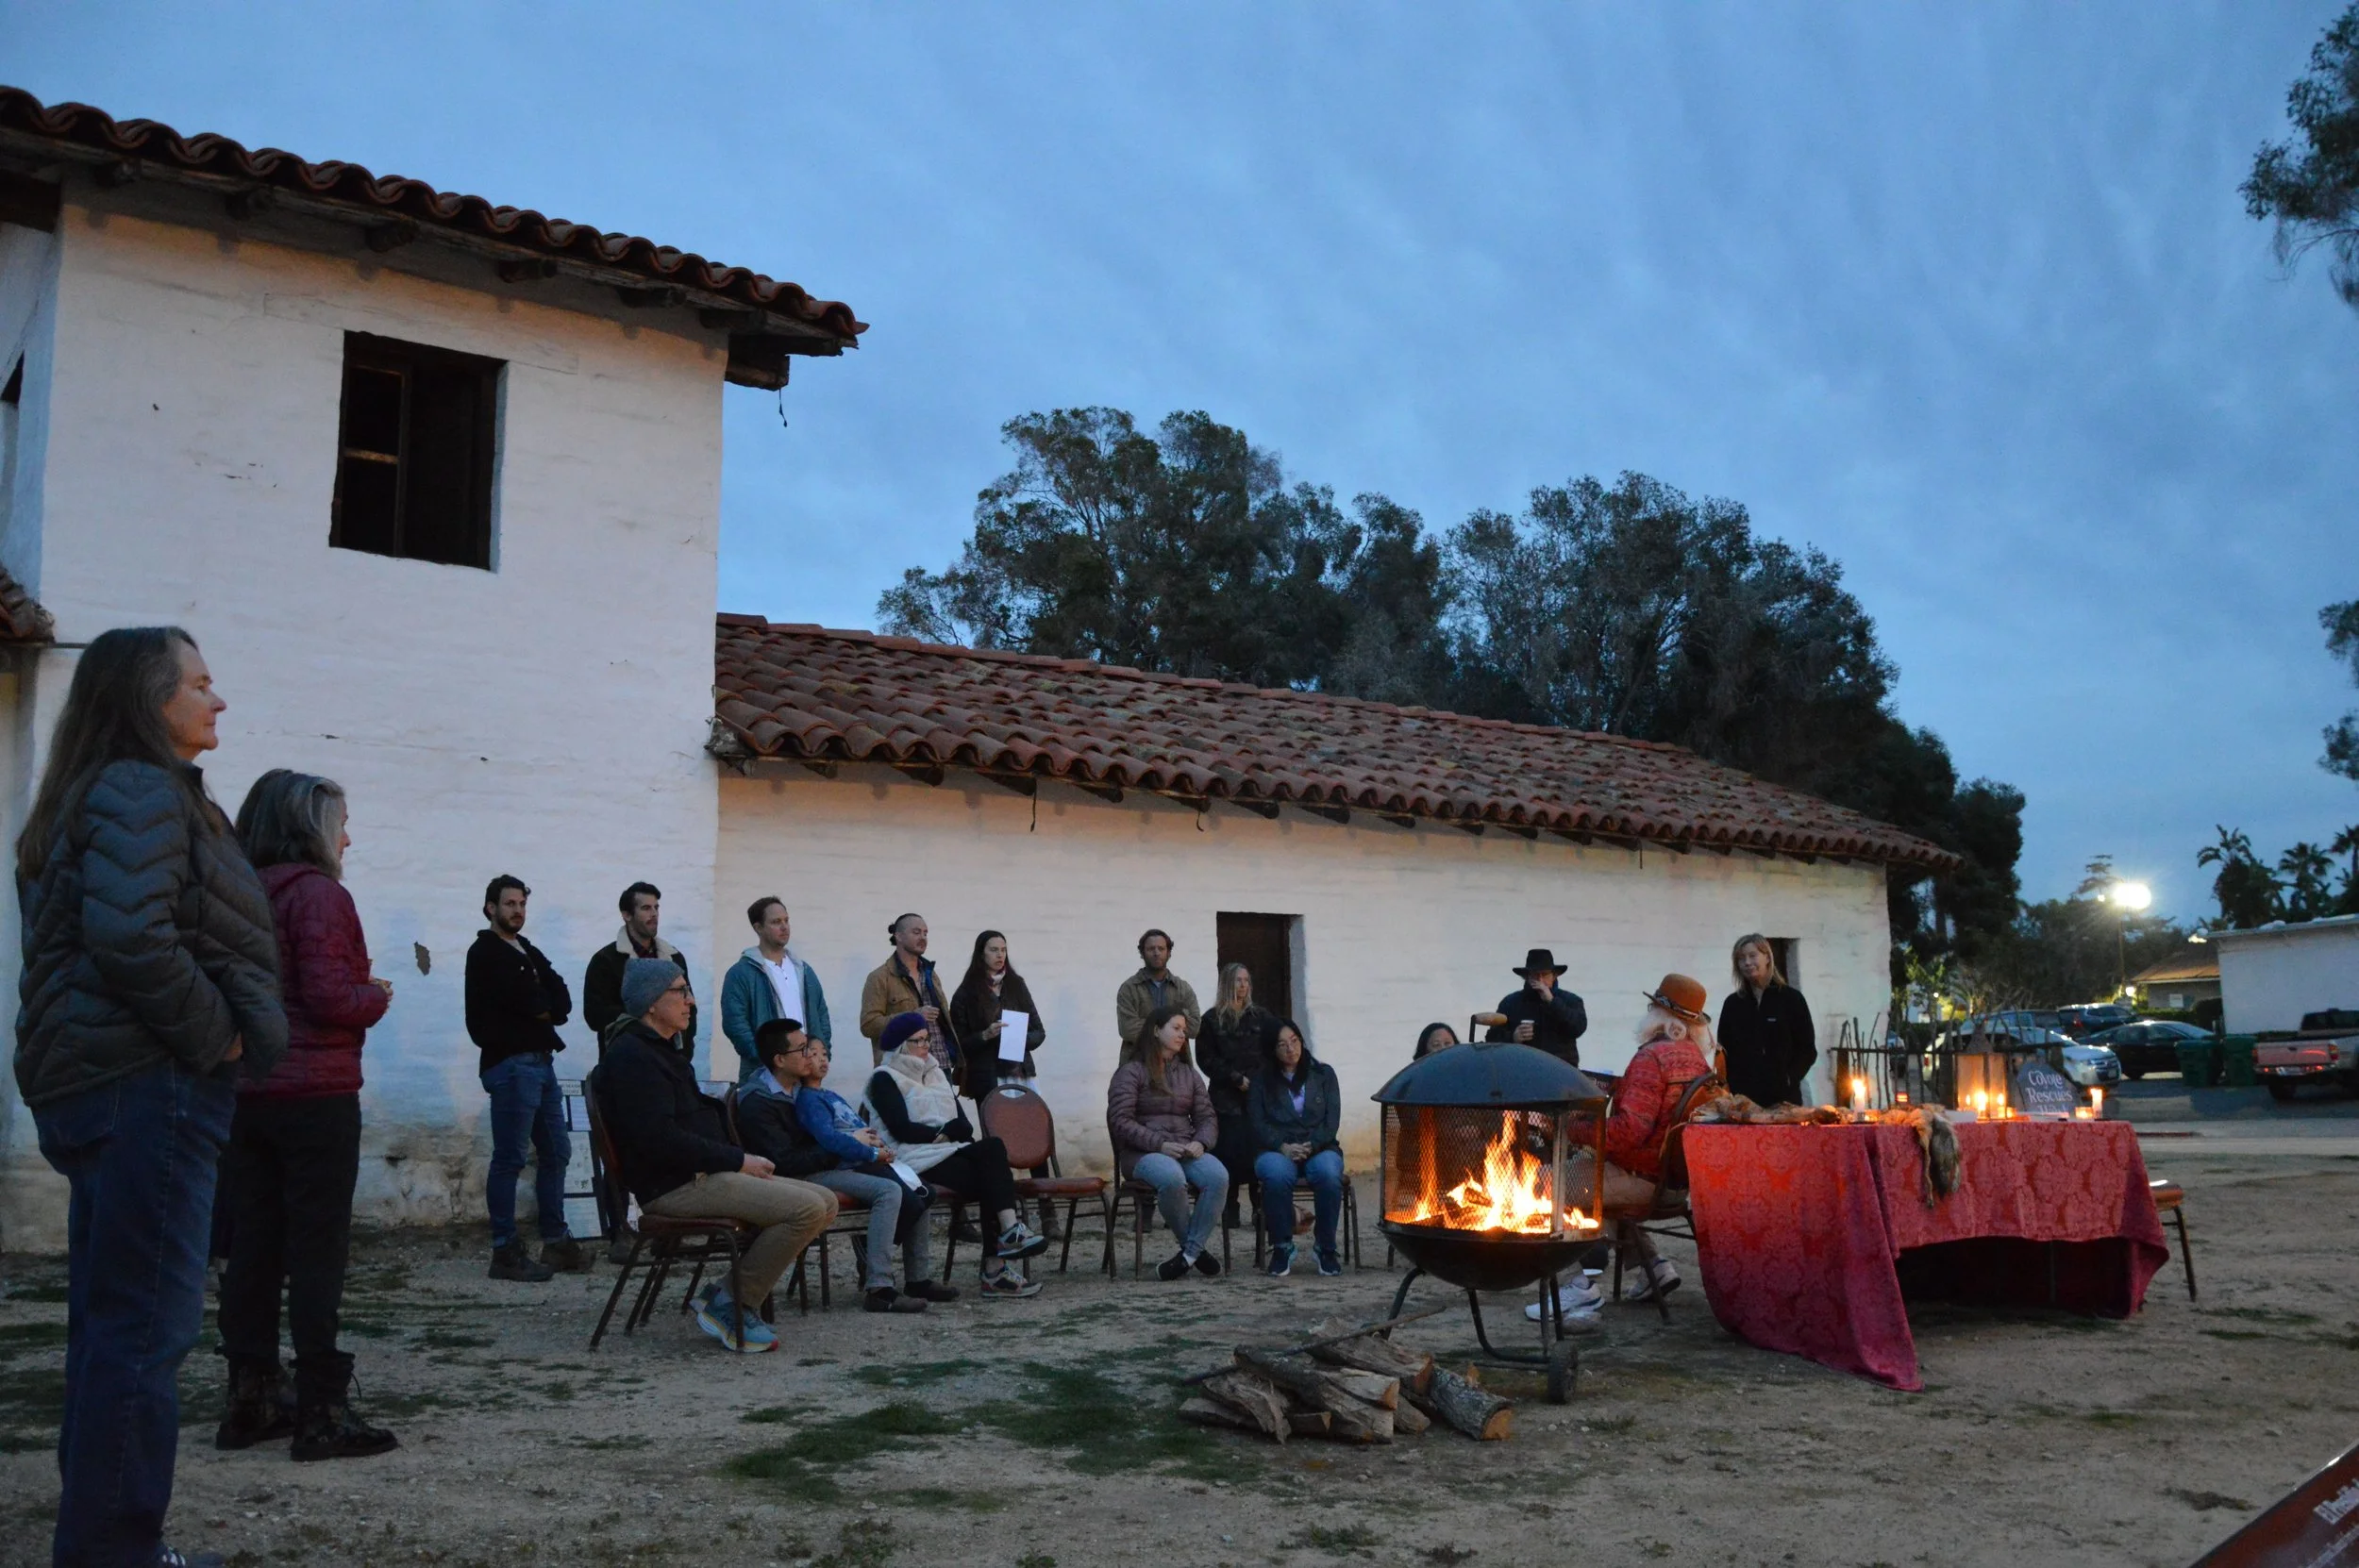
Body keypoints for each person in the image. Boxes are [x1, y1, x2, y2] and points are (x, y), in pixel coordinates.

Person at [15, 626, 289, 1568]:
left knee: (111, 1326)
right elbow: (131, 940)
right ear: (149, 698)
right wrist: (217, 1031)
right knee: (143, 1331)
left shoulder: (95, 792)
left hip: (104, 1082)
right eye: (202, 684)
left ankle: (99, 1543)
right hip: (149, 1083)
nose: (219, 701)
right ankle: (116, 1554)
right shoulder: (139, 789)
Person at [216, 770, 396, 1462]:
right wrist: (373, 995)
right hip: (314, 1094)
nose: (347, 837)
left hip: (249, 1092)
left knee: (254, 1247)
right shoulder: (319, 896)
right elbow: (329, 998)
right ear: (310, 826)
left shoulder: (242, 891)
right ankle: (323, 1409)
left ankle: (252, 1396)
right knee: (317, 1250)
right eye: (340, 823)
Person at [597, 959, 838, 1350]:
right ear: (651, 1002)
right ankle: (732, 1304)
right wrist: (738, 1160)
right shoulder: (632, 1057)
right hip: (674, 1184)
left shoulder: (662, 1051)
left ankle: (723, 1294)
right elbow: (660, 1139)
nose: (690, 1001)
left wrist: (734, 1159)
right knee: (807, 1209)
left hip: (703, 1173)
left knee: (825, 1201)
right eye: (680, 991)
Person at [737, 1022, 958, 1314]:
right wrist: (850, 1145)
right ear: (780, 1060)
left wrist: (860, 1143)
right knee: (889, 1191)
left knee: (917, 1186)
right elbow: (787, 1162)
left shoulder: (802, 1090)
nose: (812, 1055)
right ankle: (880, 1288)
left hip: (831, 1162)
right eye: (804, 1050)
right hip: (797, 1178)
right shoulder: (760, 1101)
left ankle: (917, 1279)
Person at [862, 1012, 1049, 1297]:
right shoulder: (884, 1079)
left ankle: (1004, 1245)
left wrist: (944, 1133)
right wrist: (943, 1132)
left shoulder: (937, 1074)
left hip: (947, 1152)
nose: (926, 1046)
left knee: (993, 1153)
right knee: (993, 1178)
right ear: (901, 1045)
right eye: (918, 1041)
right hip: (911, 1159)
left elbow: (964, 1125)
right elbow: (902, 1130)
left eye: (928, 1040)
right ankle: (996, 1268)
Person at [463, 875, 590, 1282]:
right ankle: (504, 1251)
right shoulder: (486, 952)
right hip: (512, 1064)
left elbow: (560, 999)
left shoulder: (527, 950)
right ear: (490, 908)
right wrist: (538, 1005)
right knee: (511, 1157)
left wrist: (541, 1006)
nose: (517, 911)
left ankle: (556, 1241)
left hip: (541, 1062)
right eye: (509, 904)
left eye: (521, 904)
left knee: (557, 1151)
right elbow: (529, 1001)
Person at [1107, 1005, 1228, 1281]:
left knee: (1218, 1176)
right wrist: (1159, 1144)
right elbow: (1121, 1121)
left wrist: (1202, 1142)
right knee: (1173, 1178)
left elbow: (1207, 1117)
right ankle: (1195, 1250)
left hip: (1185, 1148)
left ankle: (1188, 1255)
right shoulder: (1131, 1072)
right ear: (1156, 1030)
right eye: (1176, 1028)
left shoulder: (1189, 1074)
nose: (1182, 1035)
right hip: (1143, 1155)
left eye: (1184, 1030)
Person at [1247, 1020, 1345, 1277]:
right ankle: (1282, 1246)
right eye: (1282, 1045)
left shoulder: (1324, 1074)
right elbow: (1257, 1123)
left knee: (1328, 1174)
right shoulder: (1261, 1081)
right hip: (1276, 1148)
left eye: (1294, 1041)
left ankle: (1325, 1247)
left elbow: (1331, 1122)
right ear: (1272, 1050)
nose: (1291, 1049)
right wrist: (1283, 1146)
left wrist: (1311, 1146)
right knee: (1276, 1175)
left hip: (1320, 1146)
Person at [1196, 962, 1279, 1228]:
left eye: (1246, 980)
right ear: (1227, 985)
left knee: (1257, 1150)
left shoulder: (1261, 1017)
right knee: (1227, 1152)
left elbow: (1272, 1049)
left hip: (1257, 1096)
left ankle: (1260, 1207)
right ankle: (1229, 1207)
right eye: (1237, 981)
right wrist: (1234, 1079)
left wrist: (1259, 1081)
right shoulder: (1211, 1019)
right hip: (1225, 1097)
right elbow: (1206, 1058)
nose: (1243, 986)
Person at [720, 895, 833, 1085]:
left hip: (806, 1071)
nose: (784, 927)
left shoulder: (803, 970)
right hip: (765, 1075)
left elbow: (822, 1015)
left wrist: (820, 1051)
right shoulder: (741, 973)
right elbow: (735, 1024)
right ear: (758, 928)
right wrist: (765, 1057)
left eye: (786, 920)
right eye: (776, 922)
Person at [582, 881, 695, 1050]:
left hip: (673, 1059)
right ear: (627, 915)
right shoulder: (605, 960)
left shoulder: (673, 957)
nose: (654, 914)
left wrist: (685, 1052)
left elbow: (689, 1007)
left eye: (656, 908)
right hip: (625, 1059)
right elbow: (596, 1016)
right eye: (646, 908)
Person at [1717, 933, 1816, 1108]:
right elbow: (1723, 1051)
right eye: (1741, 959)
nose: (1747, 963)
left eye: (1752, 955)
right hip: (1742, 1102)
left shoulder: (1791, 999)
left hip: (1784, 1100)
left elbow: (1807, 1049)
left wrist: (1789, 1078)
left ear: (1767, 957)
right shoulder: (1733, 1004)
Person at [947, 928, 1046, 1101]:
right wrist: (984, 1036)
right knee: (996, 1126)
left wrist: (1016, 1038)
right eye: (993, 950)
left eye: (1003, 950)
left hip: (1021, 1074)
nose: (1000, 955)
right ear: (981, 954)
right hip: (987, 1076)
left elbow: (1039, 1032)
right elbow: (957, 1044)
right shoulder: (966, 993)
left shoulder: (1016, 985)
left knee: (1028, 1126)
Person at [860, 913, 962, 1079]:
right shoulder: (879, 977)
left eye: (925, 933)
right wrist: (912, 1017)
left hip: (939, 1066)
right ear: (898, 936)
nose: (923, 937)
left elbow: (944, 1020)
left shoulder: (930, 974)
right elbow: (868, 1025)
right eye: (916, 932)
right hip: (903, 1070)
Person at [1483, 947, 1589, 1066]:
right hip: (1523, 1071)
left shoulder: (1571, 1000)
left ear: (1554, 976)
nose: (1540, 980)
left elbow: (1578, 1028)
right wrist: (1513, 1037)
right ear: (1527, 977)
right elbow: (1491, 1039)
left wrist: (1552, 1001)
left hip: (1561, 1072)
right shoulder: (1510, 1002)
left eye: (1544, 975)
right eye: (1535, 975)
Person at [1114, 928, 1200, 1055]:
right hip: (1139, 1062)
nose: (1156, 953)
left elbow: (1194, 1028)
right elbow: (1127, 1030)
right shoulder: (1129, 988)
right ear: (1142, 953)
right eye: (1151, 949)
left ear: (1169, 953)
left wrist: (1151, 1027)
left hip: (1177, 1064)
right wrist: (1175, 1026)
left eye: (1161, 948)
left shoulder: (1183, 988)